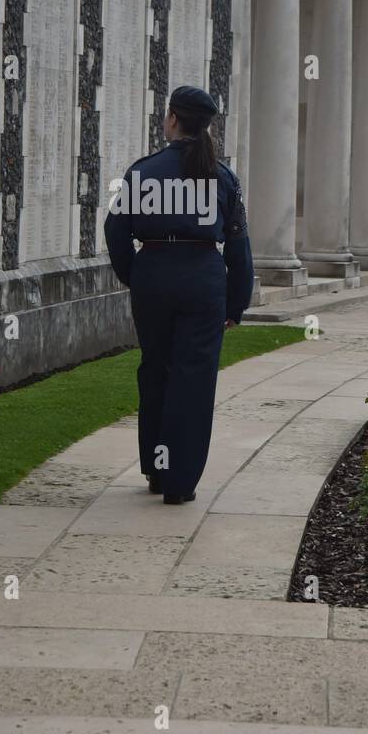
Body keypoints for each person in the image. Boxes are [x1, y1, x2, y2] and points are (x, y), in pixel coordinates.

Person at [104, 86, 254, 504]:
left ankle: (158, 466)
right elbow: (239, 244)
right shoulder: (222, 178)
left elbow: (115, 230)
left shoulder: (142, 172)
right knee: (194, 379)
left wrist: (136, 275)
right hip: (203, 280)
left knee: (156, 370)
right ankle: (180, 481)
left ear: (172, 119)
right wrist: (236, 301)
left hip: (153, 274)